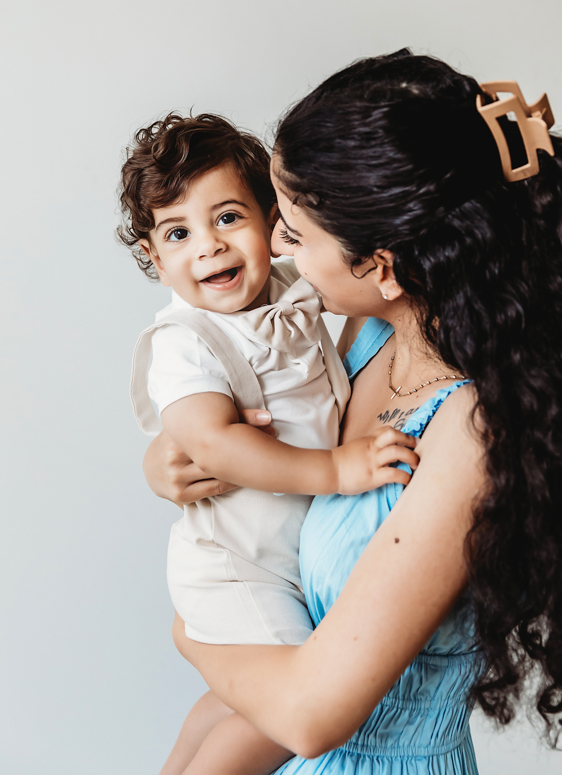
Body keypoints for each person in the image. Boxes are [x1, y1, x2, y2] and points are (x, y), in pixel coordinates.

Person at [144, 50, 562, 773]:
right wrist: (175, 456)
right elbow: (248, 413)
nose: (275, 246)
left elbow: (310, 716)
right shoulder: (360, 334)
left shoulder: (471, 431)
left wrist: (192, 638)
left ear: (380, 268)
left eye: (295, 232)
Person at [117, 113, 419, 775]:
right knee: (279, 713)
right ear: (154, 256)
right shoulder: (185, 341)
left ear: (271, 223)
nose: (208, 247)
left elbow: (354, 273)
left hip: (276, 554)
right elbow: (212, 445)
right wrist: (337, 470)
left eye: (227, 218)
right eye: (178, 232)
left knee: (226, 705)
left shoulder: (291, 290)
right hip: (234, 564)